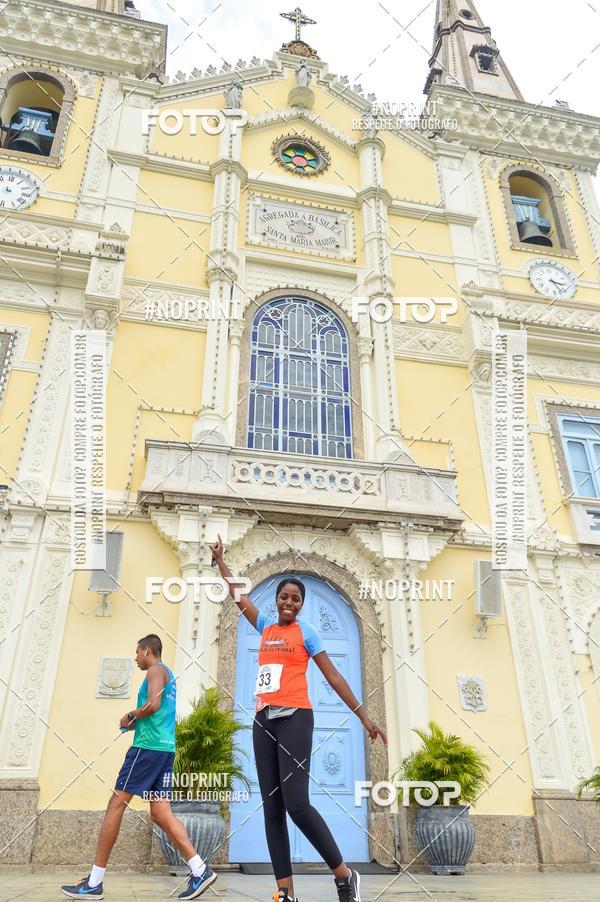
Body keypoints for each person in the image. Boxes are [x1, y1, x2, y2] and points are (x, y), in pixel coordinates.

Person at [209, 535, 387, 902]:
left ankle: (344, 875)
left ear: (301, 606)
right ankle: (285, 892)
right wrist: (222, 563)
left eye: (295, 598)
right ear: (276, 600)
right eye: (284, 597)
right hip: (264, 721)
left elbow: (333, 676)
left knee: (297, 804)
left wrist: (364, 717)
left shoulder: (306, 632)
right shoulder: (265, 627)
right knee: (272, 807)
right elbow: (238, 595)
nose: (289, 602)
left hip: (296, 719)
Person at [60, 634, 217, 900]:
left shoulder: (155, 670)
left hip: (147, 750)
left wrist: (131, 715)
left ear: (147, 650)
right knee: (161, 813)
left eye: (137, 653)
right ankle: (199, 869)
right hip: (165, 750)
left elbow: (153, 704)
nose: (135, 658)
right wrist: (138, 720)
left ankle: (94, 882)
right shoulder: (168, 675)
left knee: (115, 805)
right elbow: (158, 709)